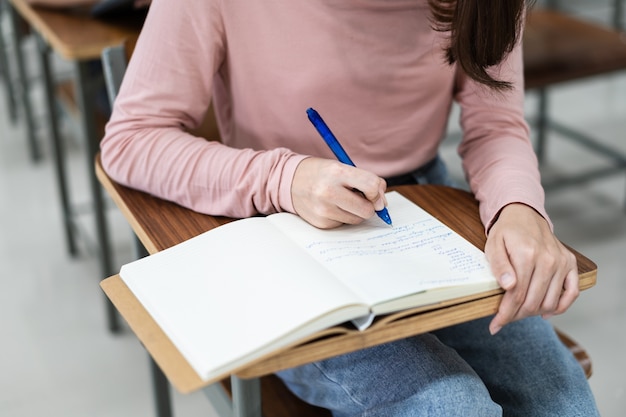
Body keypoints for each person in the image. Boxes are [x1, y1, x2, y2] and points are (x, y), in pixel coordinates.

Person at [101, 0, 600, 415]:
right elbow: (131, 140)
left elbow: (496, 126)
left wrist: (519, 209)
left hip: (425, 210)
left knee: (565, 401)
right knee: (450, 404)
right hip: (276, 226)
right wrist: (284, 177)